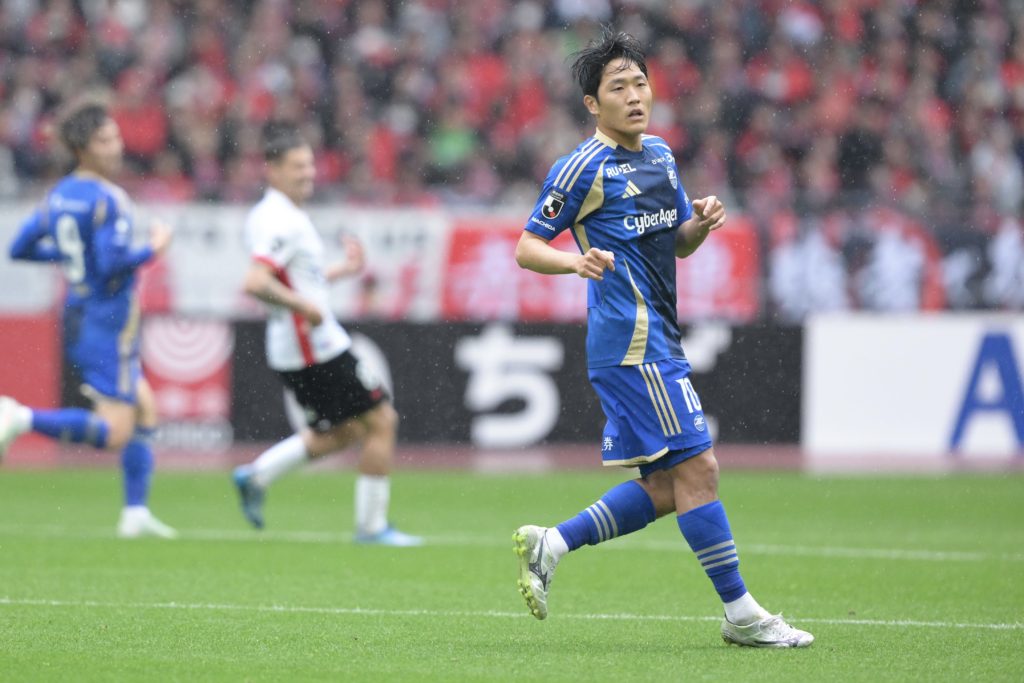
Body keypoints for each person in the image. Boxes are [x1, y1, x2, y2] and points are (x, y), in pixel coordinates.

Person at [512, 29, 813, 648]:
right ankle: (743, 615)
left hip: (658, 338)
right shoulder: (581, 166)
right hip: (631, 340)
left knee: (671, 485)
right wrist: (575, 263)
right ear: (593, 103)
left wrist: (699, 224)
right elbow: (527, 246)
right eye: (618, 87)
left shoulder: (660, 155)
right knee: (700, 468)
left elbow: (677, 242)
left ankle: (554, 542)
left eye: (640, 83)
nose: (634, 96)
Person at [231, 121, 422, 547]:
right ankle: (371, 528)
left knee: (348, 431)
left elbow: (298, 280)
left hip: (297, 344)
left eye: (310, 165)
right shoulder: (281, 220)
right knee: (382, 420)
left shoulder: (271, 215)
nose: (308, 173)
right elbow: (256, 282)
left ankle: (257, 475)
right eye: (297, 166)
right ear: (272, 170)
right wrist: (305, 308)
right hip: (313, 345)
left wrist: (341, 271)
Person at [0, 99, 177, 539]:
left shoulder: (59, 194)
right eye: (104, 140)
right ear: (82, 148)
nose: (117, 146)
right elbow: (112, 264)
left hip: (79, 311)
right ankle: (19, 417)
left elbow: (19, 248)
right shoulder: (108, 199)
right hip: (108, 320)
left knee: (145, 406)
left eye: (115, 137)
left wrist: (67, 255)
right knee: (116, 432)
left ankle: (135, 513)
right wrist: (154, 248)